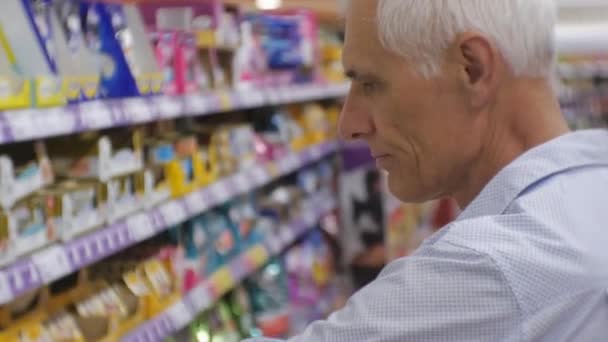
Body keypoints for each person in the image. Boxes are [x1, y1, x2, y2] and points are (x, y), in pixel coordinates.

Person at [247, 0, 608, 341]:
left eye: (371, 83)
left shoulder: (493, 267)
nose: (349, 126)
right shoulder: (591, 186)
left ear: (472, 68)